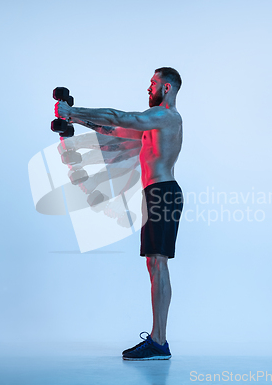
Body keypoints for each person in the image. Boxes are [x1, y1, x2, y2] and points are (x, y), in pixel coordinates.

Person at [56, 67, 183, 360]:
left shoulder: (167, 117)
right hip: (155, 193)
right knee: (154, 264)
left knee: (159, 263)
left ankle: (159, 342)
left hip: (163, 192)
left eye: (152, 83)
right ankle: (158, 340)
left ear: (166, 88)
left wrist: (73, 109)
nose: (147, 88)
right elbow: (114, 130)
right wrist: (76, 120)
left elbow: (121, 117)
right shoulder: (155, 124)